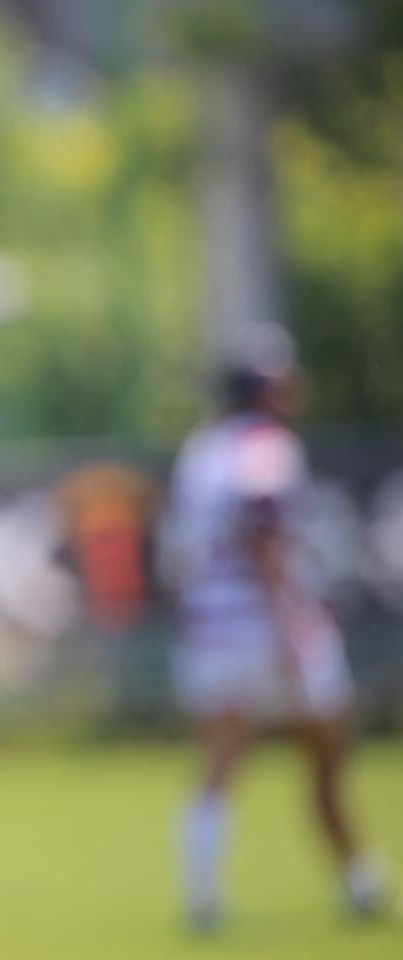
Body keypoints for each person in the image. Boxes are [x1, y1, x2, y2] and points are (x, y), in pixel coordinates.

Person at [166, 321, 387, 930]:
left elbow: (181, 551)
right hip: (265, 621)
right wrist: (290, 623)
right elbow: (264, 529)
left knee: (219, 760)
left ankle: (202, 892)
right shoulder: (267, 445)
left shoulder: (200, 449)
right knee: (327, 754)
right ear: (263, 388)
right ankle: (358, 879)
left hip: (211, 624)